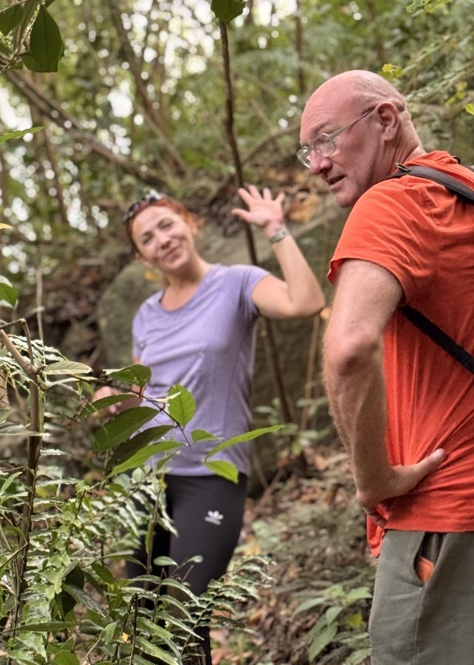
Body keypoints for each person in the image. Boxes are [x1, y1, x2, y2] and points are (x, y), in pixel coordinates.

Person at [298, 69, 474, 665]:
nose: (316, 164)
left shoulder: (393, 202)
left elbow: (349, 349)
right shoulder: (473, 189)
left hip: (452, 513)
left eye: (327, 139)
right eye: (307, 150)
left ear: (385, 120)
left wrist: (372, 479)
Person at [95, 185, 324, 664]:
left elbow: (304, 302)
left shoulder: (237, 283)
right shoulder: (146, 315)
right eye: (147, 238)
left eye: (167, 225)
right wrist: (111, 400)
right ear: (141, 257)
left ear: (189, 223)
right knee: (141, 626)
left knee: (182, 619)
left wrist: (275, 228)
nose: (162, 239)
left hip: (211, 475)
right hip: (148, 480)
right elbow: (144, 392)